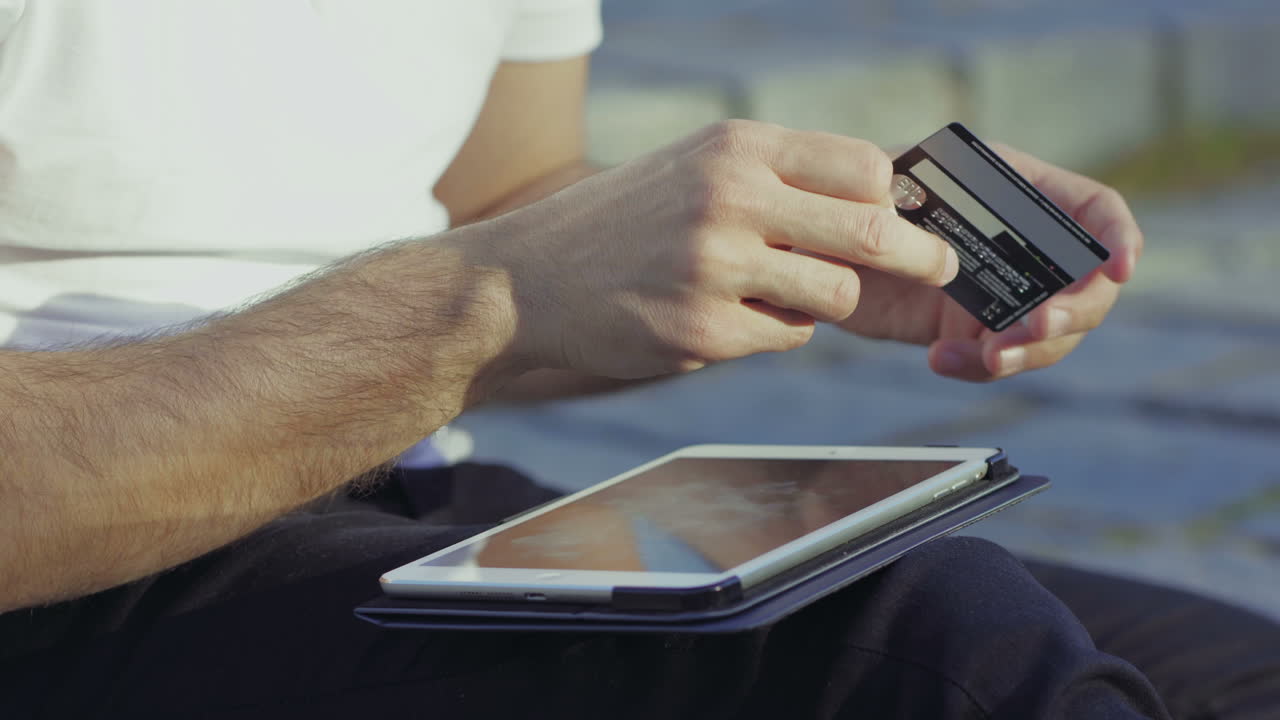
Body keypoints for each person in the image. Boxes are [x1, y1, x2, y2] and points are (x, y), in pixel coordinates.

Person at [0, 2, 1276, 718]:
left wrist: (786, 245)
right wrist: (488, 293)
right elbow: (496, 273)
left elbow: (510, 196)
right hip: (67, 574)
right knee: (941, 664)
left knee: (1229, 677)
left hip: (402, 495)